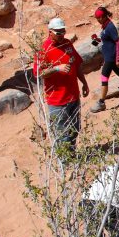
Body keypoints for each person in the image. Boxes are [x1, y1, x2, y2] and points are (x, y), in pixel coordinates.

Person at [33, 17, 90, 150]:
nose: (62, 35)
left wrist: (84, 82)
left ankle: (72, 155)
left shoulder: (67, 44)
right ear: (50, 32)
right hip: (57, 100)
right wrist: (56, 68)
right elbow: (38, 73)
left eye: (63, 31)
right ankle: (65, 162)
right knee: (62, 133)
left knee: (75, 129)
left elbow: (76, 64)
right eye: (58, 33)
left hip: (73, 95)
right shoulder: (43, 50)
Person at [90, 6, 119, 113]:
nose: (98, 20)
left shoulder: (110, 27)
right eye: (97, 18)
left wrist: (118, 59)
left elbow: (118, 42)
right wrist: (96, 40)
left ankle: (101, 102)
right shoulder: (105, 26)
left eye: (99, 18)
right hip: (109, 56)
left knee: (104, 77)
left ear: (104, 17)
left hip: (111, 58)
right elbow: (106, 40)